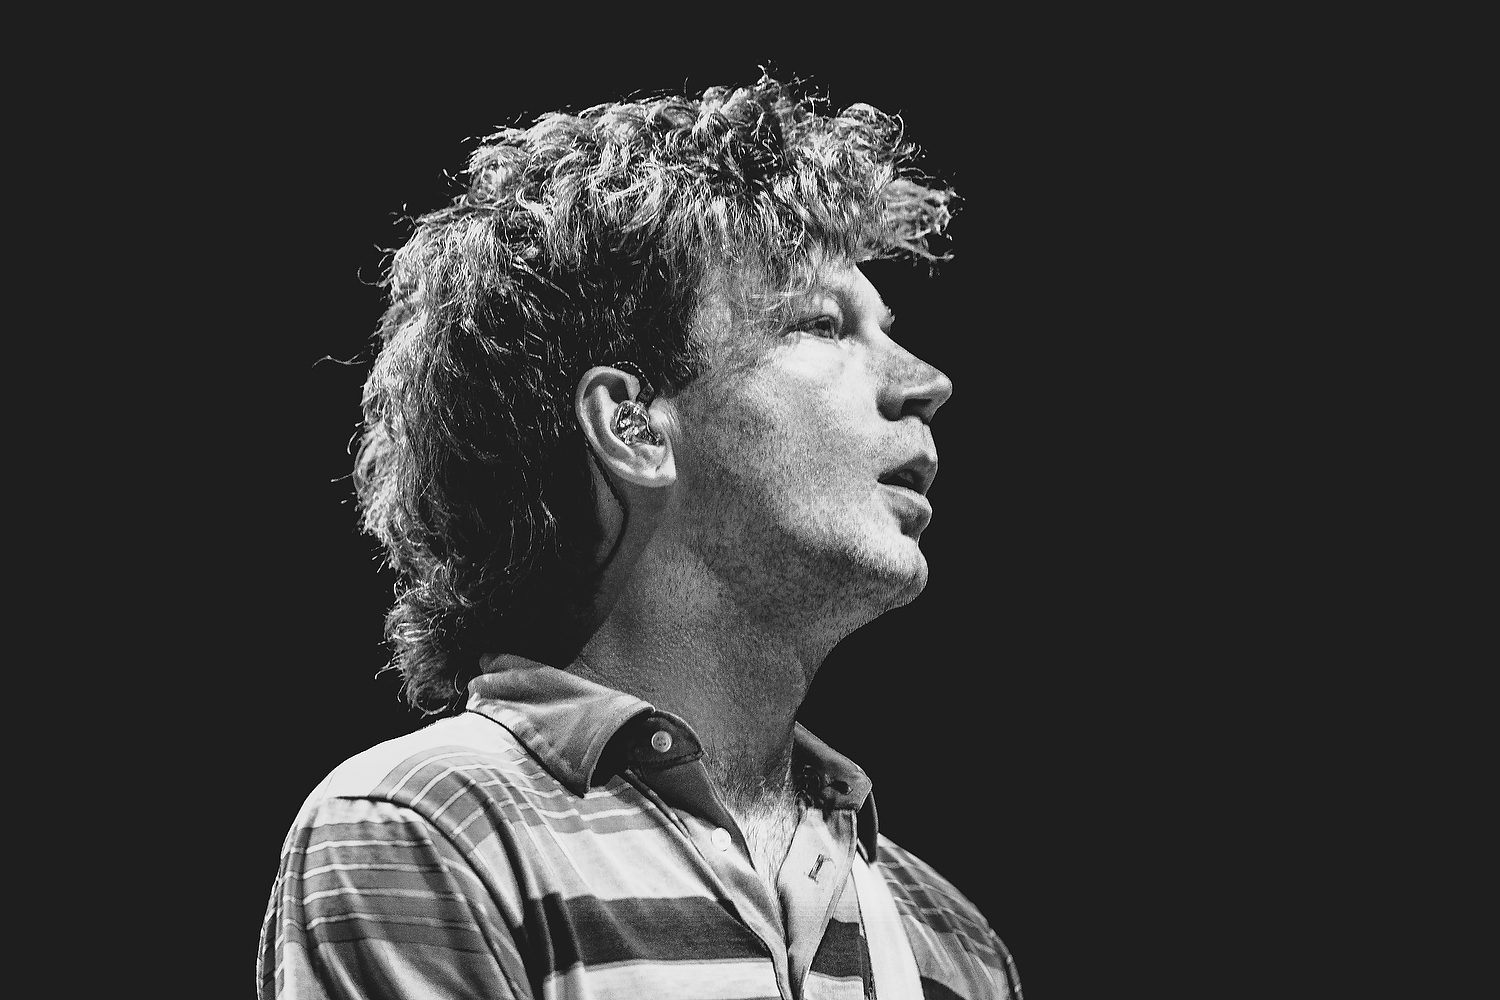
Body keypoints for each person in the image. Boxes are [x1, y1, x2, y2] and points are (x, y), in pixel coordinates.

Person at [258, 76, 1021, 1000]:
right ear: (633, 428)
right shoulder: (431, 830)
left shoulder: (951, 941)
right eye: (823, 325)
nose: (926, 382)